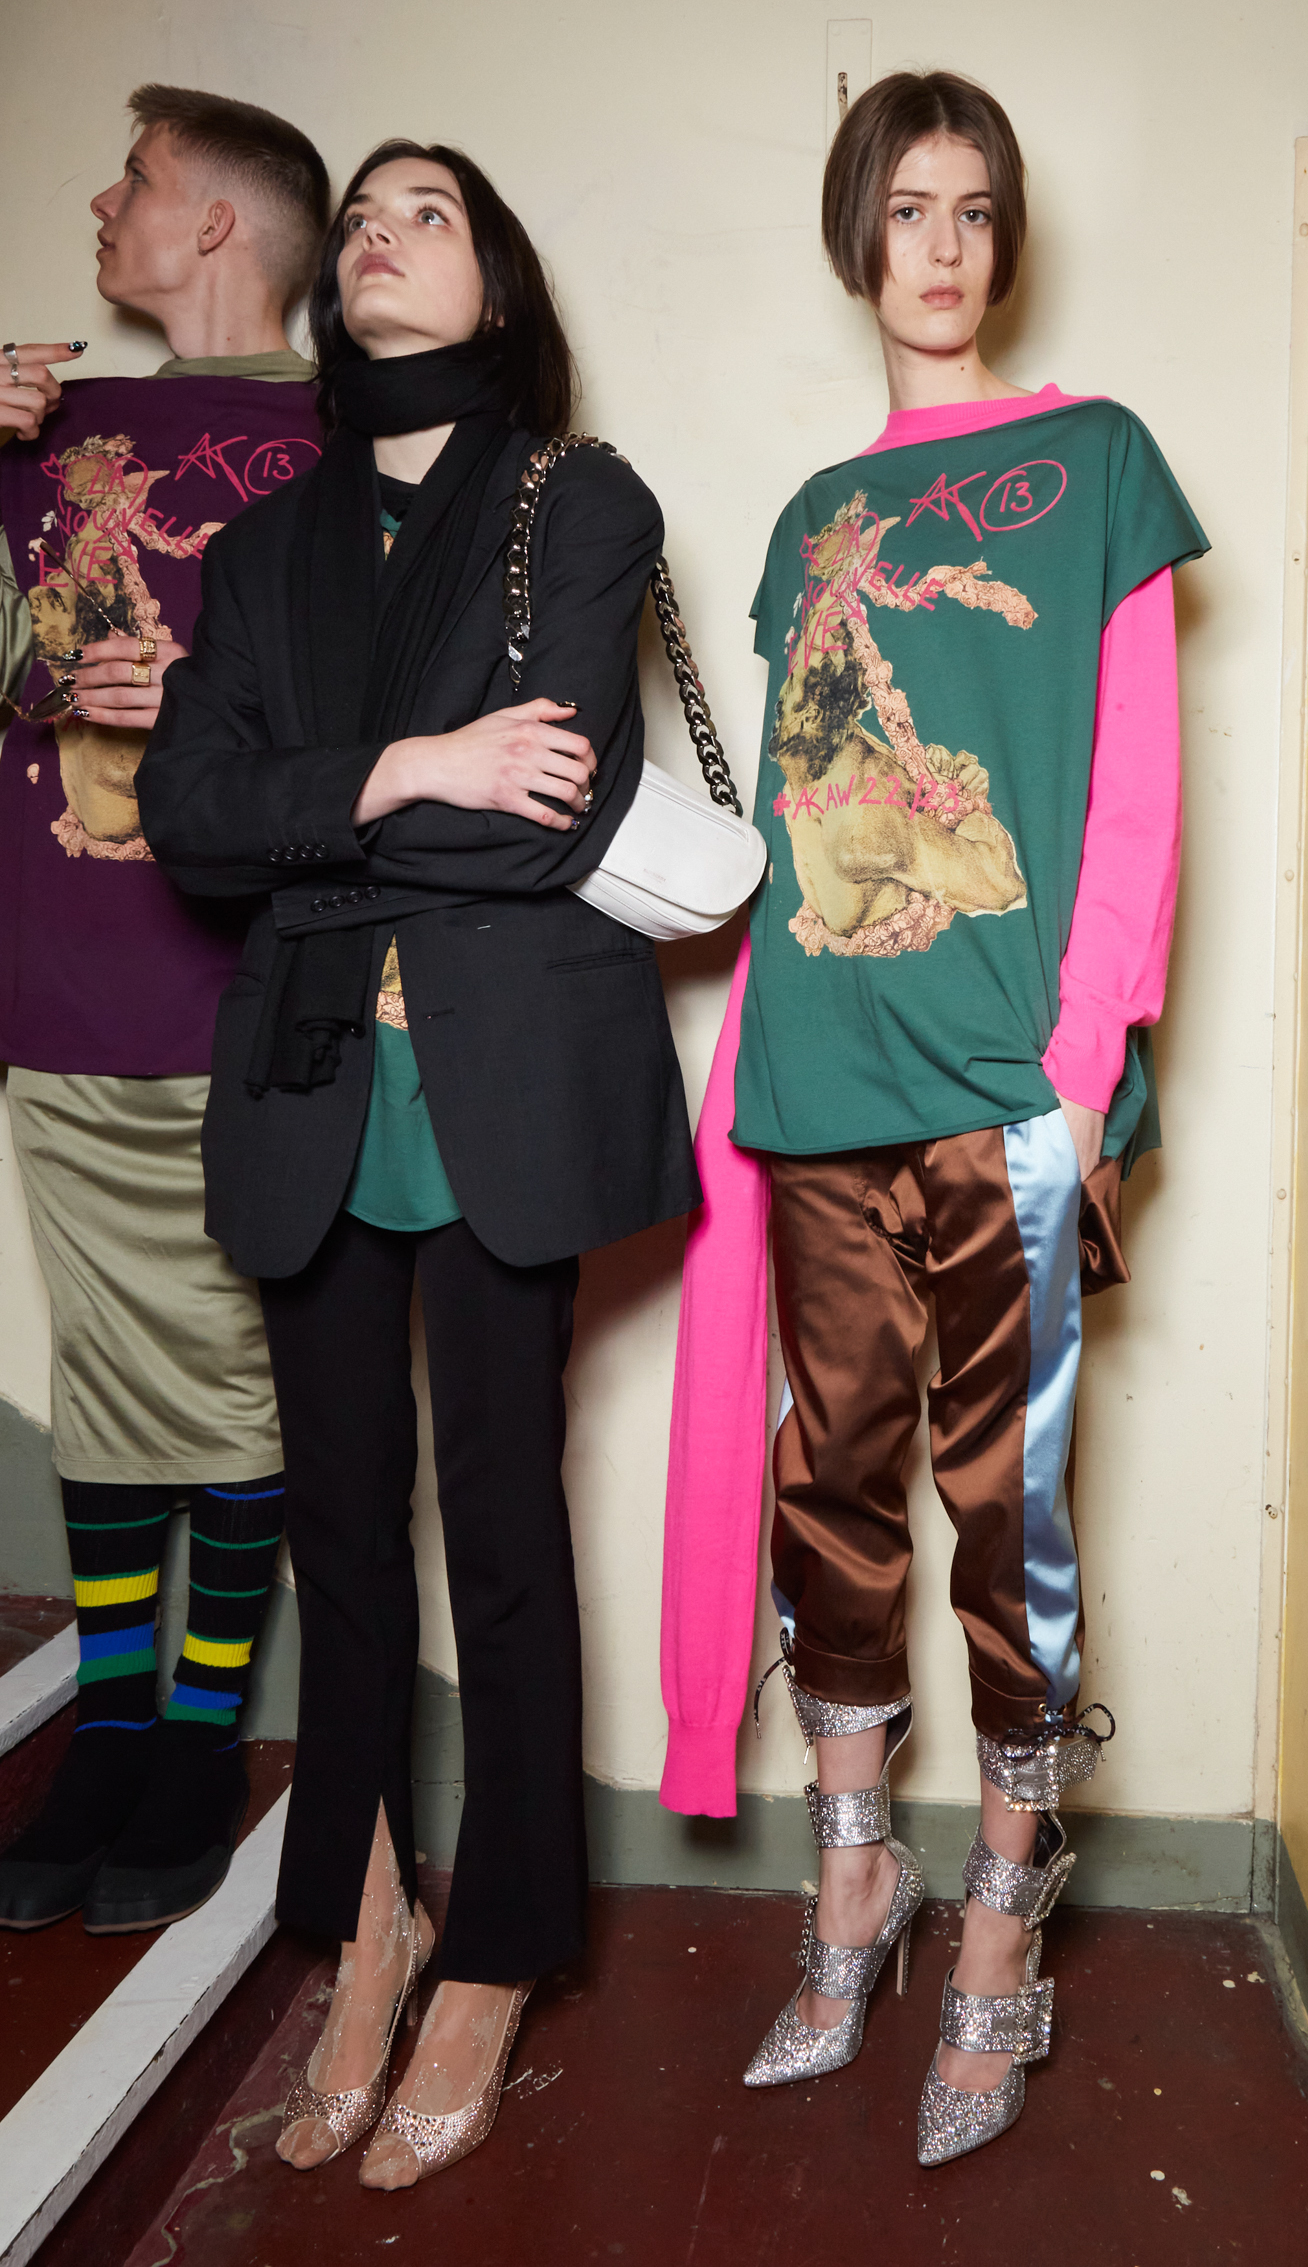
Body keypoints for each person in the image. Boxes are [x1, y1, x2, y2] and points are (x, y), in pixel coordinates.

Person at [657, 70, 1206, 2167]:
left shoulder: (1097, 459)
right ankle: (854, 1879)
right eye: (908, 209)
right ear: (857, 239)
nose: (945, 246)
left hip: (1005, 1089)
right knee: (833, 1492)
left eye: (975, 207)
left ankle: (1002, 1907)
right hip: (819, 1071)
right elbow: (805, 781)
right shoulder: (816, 511)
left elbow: (1137, 786)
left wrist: (1084, 1062)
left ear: (1009, 234)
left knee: (1014, 1511)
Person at [137, 140, 698, 2190]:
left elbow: (542, 823)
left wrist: (335, 816)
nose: (380, 233)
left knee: (505, 1525)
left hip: (499, 1089)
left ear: (498, 286)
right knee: (344, 1536)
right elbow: (189, 822)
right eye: (360, 214)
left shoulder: (578, 497)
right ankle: (364, 1925)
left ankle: (504, 1945)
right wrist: (411, 764)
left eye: (426, 213)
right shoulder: (264, 548)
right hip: (312, 1090)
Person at [0, 86, 328, 1935]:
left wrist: (206, 695)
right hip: (52, 973)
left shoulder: (346, 436)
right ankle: (115, 1728)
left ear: (214, 223)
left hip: (252, 989)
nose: (99, 203)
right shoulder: (44, 430)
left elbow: (397, 715)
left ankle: (202, 1732)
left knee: (237, 1376)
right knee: (103, 1385)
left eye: (133, 180)